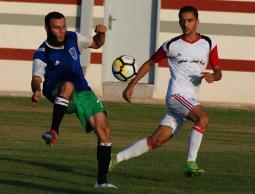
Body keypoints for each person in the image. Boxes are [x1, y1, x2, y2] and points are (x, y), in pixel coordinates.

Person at [109, 6, 222, 177]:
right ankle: (190, 163)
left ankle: (115, 159)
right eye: (182, 21)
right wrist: (132, 85)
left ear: (197, 22)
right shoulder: (171, 45)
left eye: (190, 20)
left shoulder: (208, 43)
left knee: (156, 141)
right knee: (203, 118)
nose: (186, 24)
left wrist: (214, 76)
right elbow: (149, 63)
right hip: (177, 95)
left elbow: (219, 70)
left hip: (189, 99)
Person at [31, 12, 117, 188]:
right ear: (47, 28)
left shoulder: (73, 38)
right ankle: (54, 130)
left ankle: (102, 181)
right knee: (68, 85)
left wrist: (101, 33)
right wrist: (37, 91)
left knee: (104, 132)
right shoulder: (42, 52)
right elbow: (37, 78)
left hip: (82, 90)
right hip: (56, 89)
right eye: (57, 28)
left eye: (63, 26)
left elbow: (96, 43)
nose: (62, 31)